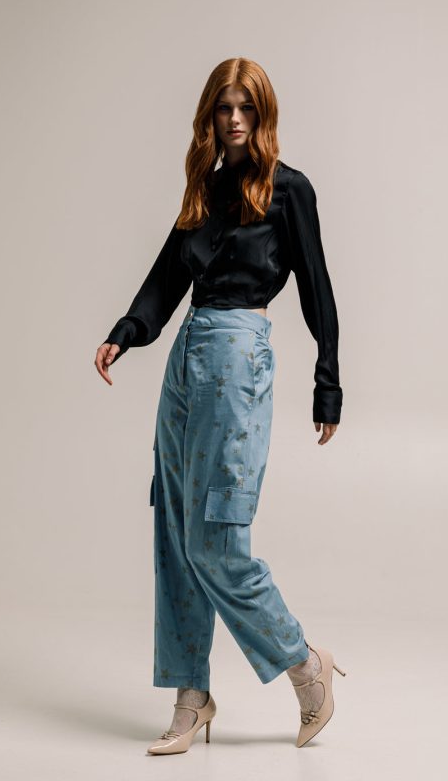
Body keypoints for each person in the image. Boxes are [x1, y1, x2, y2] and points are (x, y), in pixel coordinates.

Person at [94, 57, 346, 754]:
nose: (234, 119)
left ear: (263, 114)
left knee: (216, 536)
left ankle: (305, 665)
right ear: (209, 115)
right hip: (187, 355)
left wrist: (327, 381)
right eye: (223, 108)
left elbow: (317, 288)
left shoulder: (289, 190)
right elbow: (168, 274)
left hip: (238, 358)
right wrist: (127, 331)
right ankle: (191, 696)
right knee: (176, 530)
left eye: (246, 107)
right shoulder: (204, 188)